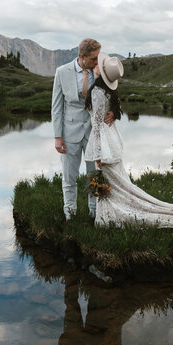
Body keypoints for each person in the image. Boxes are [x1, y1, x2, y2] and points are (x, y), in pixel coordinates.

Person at [84, 52, 173, 227]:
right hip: (111, 138)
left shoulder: (98, 92)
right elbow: (112, 111)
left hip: (105, 142)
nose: (95, 66)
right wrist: (114, 112)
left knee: (110, 180)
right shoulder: (109, 91)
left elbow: (97, 124)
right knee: (117, 182)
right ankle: (112, 211)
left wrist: (98, 153)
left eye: (98, 65)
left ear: (101, 71)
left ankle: (112, 215)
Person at [51, 38, 115, 220]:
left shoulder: (100, 71)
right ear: (82, 56)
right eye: (94, 59)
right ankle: (70, 214)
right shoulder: (62, 72)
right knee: (69, 177)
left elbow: (111, 97)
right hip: (69, 133)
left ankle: (95, 214)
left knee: (93, 176)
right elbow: (56, 107)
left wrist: (113, 111)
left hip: (94, 132)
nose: (97, 62)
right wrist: (57, 136)